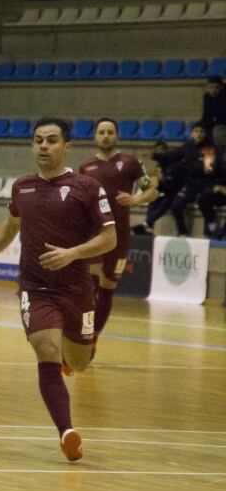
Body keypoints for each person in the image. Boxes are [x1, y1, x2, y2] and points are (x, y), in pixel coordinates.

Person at [0, 118, 117, 463]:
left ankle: (77, 352)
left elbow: (109, 238)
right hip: (36, 288)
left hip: (77, 288)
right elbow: (11, 225)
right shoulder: (21, 188)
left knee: (79, 363)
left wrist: (73, 253)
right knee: (46, 349)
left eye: (52, 141)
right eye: (38, 140)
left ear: (67, 146)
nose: (43, 146)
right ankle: (67, 433)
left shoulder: (87, 186)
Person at [78, 118, 156, 342]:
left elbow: (151, 191)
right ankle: (84, 336)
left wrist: (136, 199)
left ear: (117, 136)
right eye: (101, 132)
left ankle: (94, 338)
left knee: (107, 288)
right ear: (95, 137)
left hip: (119, 235)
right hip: (94, 234)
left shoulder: (130, 163)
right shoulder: (86, 166)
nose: (105, 136)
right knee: (89, 288)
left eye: (110, 132)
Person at [159, 123, 219, 236]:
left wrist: (189, 164)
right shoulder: (187, 146)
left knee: (204, 200)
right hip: (191, 185)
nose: (199, 134)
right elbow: (172, 155)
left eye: (201, 131)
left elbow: (207, 170)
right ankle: (183, 232)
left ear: (205, 134)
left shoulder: (209, 148)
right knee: (176, 204)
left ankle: (211, 228)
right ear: (192, 133)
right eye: (196, 131)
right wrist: (157, 156)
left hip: (205, 184)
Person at [132, 140, 182, 235]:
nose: (160, 152)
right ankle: (149, 227)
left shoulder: (174, 164)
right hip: (163, 191)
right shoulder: (156, 165)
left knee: (168, 199)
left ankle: (147, 224)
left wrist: (160, 179)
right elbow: (144, 183)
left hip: (175, 191)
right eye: (157, 150)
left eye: (162, 150)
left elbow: (172, 184)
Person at [200, 75, 226, 153]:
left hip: (222, 124)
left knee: (217, 131)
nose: (214, 90)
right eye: (211, 87)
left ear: (222, 87)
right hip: (216, 123)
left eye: (216, 87)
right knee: (199, 131)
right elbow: (206, 115)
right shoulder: (207, 97)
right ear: (207, 87)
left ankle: (220, 156)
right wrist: (201, 126)